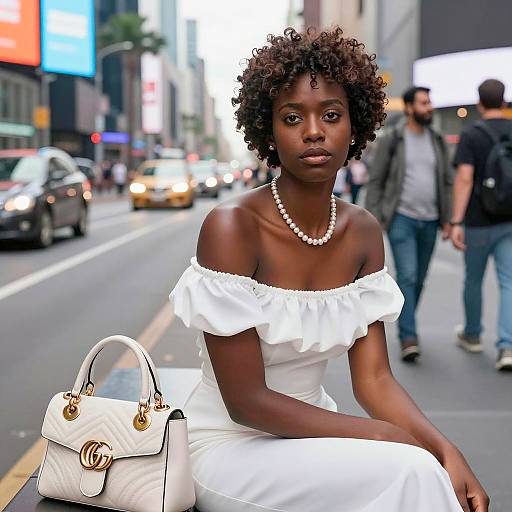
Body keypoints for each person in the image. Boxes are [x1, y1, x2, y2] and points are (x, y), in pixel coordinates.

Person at [169, 27, 487, 512]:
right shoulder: (232, 228)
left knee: (427, 469)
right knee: (412, 471)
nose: (313, 131)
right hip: (229, 445)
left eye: (331, 115)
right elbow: (246, 401)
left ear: (355, 125)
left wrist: (445, 449)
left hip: (316, 435)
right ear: (268, 131)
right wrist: (383, 436)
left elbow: (375, 380)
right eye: (292, 117)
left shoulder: (361, 232)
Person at [365, 86, 453, 362]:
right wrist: (374, 217)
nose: (430, 107)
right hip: (401, 217)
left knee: (419, 278)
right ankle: (408, 337)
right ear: (410, 108)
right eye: (424, 103)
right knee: (408, 275)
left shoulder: (437, 140)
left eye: (430, 102)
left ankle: (408, 321)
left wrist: (449, 219)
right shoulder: (394, 139)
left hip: (430, 220)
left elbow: (447, 182)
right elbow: (376, 179)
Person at [451, 78, 512, 371]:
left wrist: (456, 220)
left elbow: (464, 178)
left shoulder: (472, 134)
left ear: (479, 102)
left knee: (473, 279)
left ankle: (473, 335)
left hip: (477, 220)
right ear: (503, 101)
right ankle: (507, 346)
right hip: (509, 220)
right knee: (509, 282)